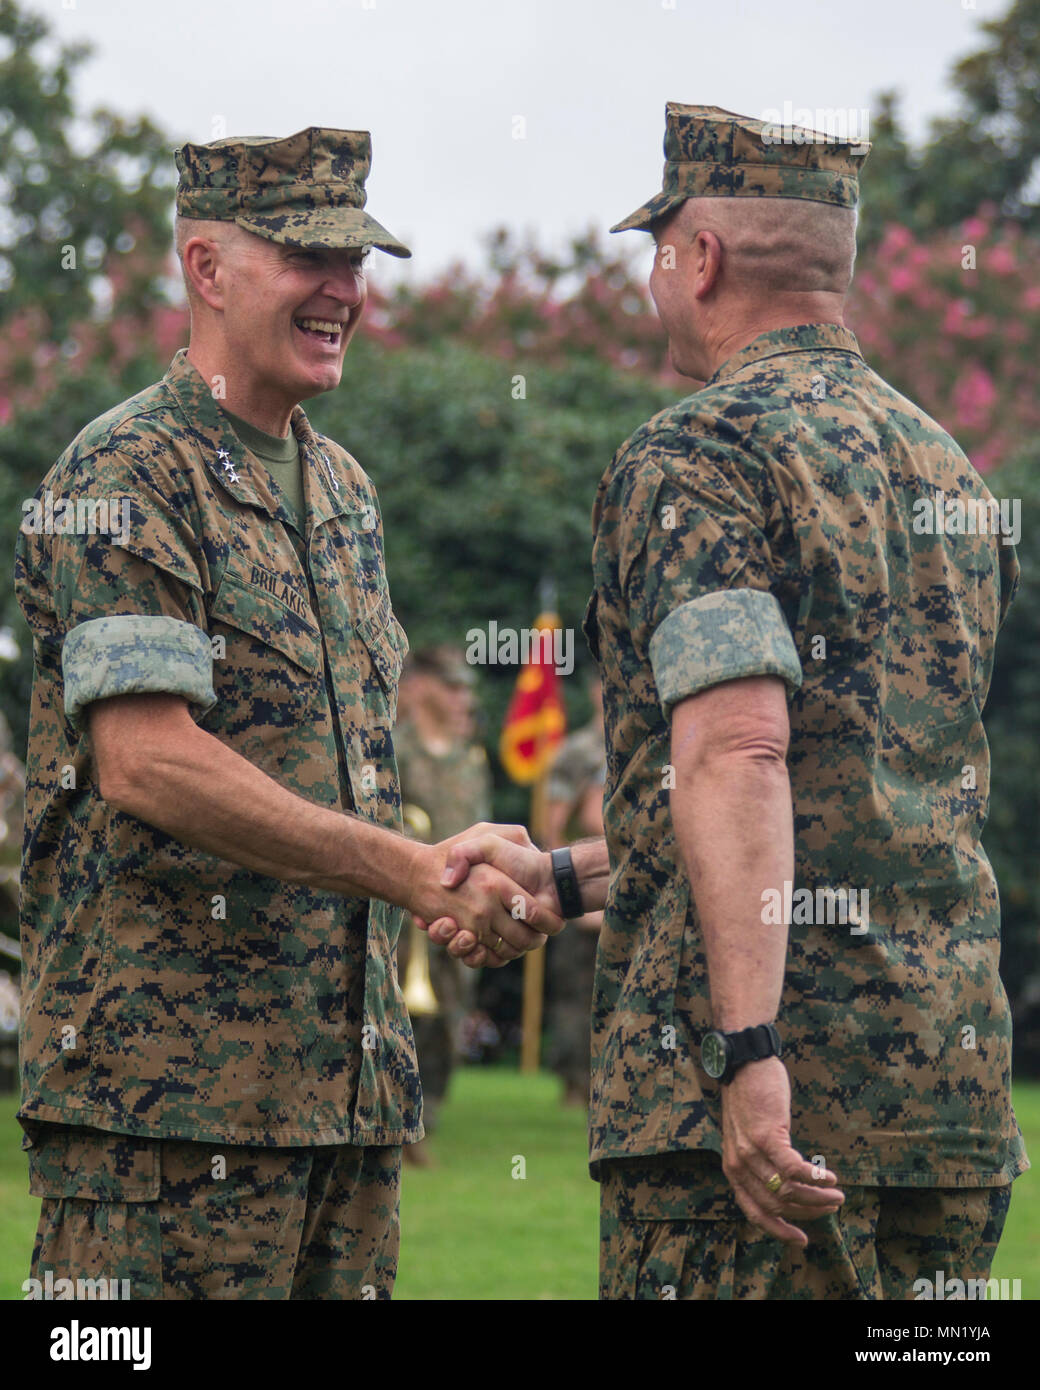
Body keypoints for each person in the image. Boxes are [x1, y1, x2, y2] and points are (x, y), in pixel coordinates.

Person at [428, 103, 1027, 1300]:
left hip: (758, 1120)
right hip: (943, 1103)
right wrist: (575, 877)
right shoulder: (946, 475)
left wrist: (749, 1057)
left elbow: (742, 751)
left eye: (657, 250)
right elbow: (852, 794)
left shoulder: (695, 456)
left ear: (696, 259)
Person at [14, 126, 560, 1301]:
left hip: (345, 1106)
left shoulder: (346, 493)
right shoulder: (125, 478)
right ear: (207, 268)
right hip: (160, 1111)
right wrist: (415, 871)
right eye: (310, 256)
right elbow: (147, 761)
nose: (345, 291)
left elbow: (350, 771)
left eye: (357, 263)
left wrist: (473, 867)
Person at [394, 647, 492, 1157]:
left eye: (466, 690)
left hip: (463, 902)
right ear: (424, 686)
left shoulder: (469, 758)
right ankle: (403, 1114)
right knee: (403, 1012)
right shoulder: (396, 749)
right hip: (407, 904)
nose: (463, 700)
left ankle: (428, 1107)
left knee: (453, 1007)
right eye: (453, 688)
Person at [543, 674, 605, 1106]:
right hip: (580, 883)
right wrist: (569, 890)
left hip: (627, 883)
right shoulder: (577, 752)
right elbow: (554, 822)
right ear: (593, 689)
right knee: (574, 992)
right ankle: (573, 1082)